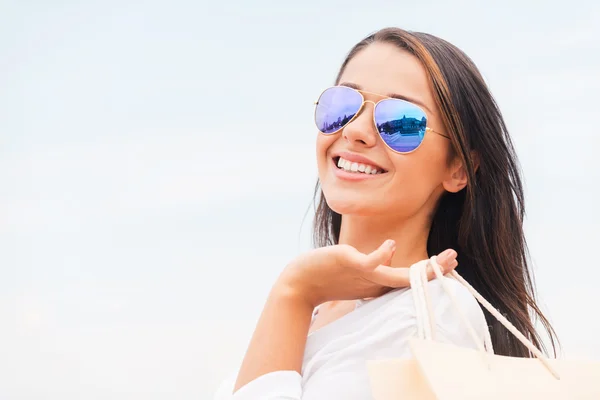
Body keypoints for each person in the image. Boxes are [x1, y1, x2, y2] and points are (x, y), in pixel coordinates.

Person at [213, 27, 558, 399]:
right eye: (343, 106)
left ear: (458, 168)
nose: (356, 130)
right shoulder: (317, 310)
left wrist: (293, 291)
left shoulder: (431, 317)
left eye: (401, 122)